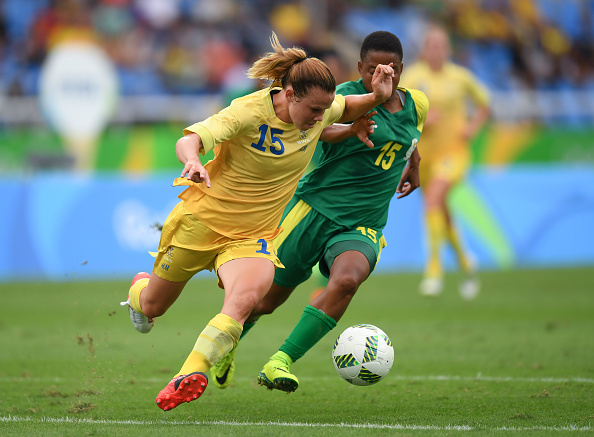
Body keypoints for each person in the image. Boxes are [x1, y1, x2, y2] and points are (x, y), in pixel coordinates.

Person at [120, 32, 396, 411]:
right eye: (315, 110)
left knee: (246, 299)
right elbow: (193, 138)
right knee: (153, 306)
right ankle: (140, 290)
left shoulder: (319, 110)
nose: (320, 119)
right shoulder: (247, 111)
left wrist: (378, 97)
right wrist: (193, 161)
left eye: (324, 111)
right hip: (201, 222)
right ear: (290, 95)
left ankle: (189, 373)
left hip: (252, 237)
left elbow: (348, 107)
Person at [210, 30, 428, 393]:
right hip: (311, 212)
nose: (382, 76)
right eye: (374, 68)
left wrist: (415, 162)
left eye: (391, 69)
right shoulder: (342, 97)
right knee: (264, 302)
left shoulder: (417, 103)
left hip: (363, 223)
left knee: (346, 280)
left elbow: (411, 136)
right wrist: (351, 128)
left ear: (402, 69)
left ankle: (281, 360)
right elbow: (316, 130)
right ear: (360, 67)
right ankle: (225, 348)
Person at [400, 25, 490, 299]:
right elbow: (399, 114)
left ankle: (434, 268)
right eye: (432, 45)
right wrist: (422, 121)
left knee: (434, 199)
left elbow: (485, 104)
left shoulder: (460, 77)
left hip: (454, 153)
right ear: (425, 49)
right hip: (423, 157)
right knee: (441, 211)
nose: (437, 50)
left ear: (448, 49)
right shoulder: (413, 77)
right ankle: (467, 263)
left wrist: (472, 127)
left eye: (441, 45)